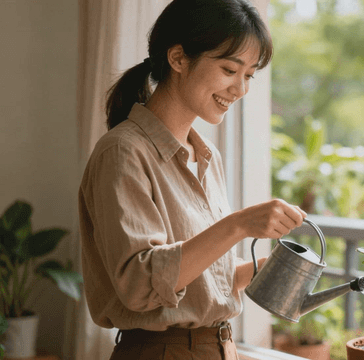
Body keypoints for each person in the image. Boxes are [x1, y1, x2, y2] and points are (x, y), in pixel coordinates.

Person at [78, 0, 307, 359]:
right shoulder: (123, 152)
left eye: (248, 75)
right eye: (230, 69)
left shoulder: (206, 157)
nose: (241, 89)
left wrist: (268, 270)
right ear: (179, 59)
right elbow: (139, 286)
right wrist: (239, 224)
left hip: (218, 348)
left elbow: (195, 279)